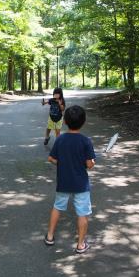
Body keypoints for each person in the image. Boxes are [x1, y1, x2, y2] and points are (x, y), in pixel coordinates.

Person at [44, 105, 96, 254]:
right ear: (83, 122)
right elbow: (89, 165)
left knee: (58, 207)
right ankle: (80, 245)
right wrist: (93, 162)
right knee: (82, 213)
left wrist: (63, 163)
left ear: (65, 121)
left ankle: (49, 236)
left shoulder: (60, 140)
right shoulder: (86, 141)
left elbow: (51, 158)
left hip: (64, 182)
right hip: (81, 184)